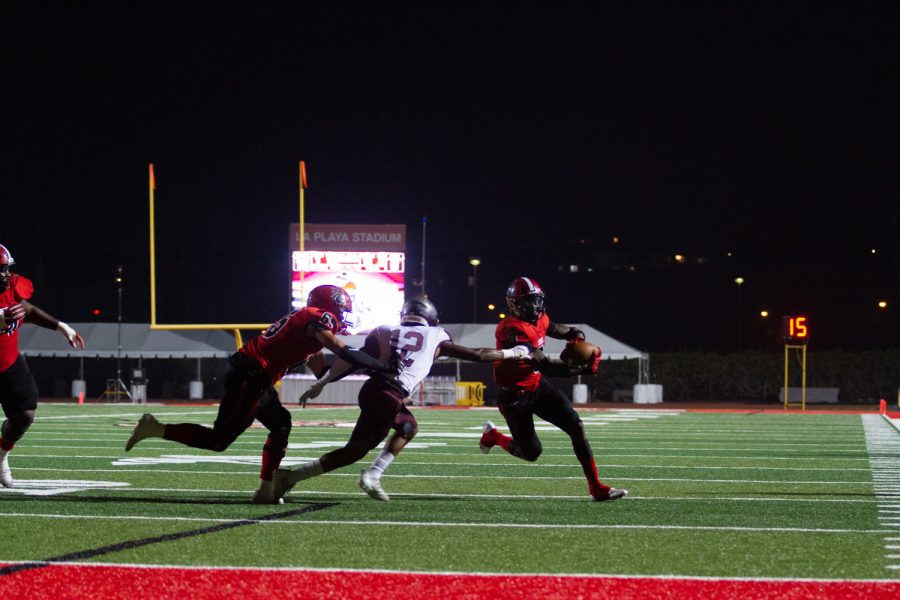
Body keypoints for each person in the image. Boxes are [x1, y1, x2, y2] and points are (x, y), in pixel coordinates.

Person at [124, 284, 397, 504]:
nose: (343, 315)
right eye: (341, 308)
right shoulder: (317, 317)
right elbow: (341, 350)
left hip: (255, 375)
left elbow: (323, 369)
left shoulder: (309, 326)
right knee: (219, 441)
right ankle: (155, 429)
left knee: (281, 424)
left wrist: (368, 373)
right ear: (329, 306)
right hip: (250, 374)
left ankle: (265, 490)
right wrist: (380, 364)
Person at [272, 295, 529, 502]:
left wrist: (323, 381)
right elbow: (479, 354)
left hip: (376, 390)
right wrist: (512, 353)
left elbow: (350, 360)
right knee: (353, 452)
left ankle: (373, 474)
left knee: (408, 426)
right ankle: (290, 477)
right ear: (430, 317)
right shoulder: (436, 334)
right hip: (388, 395)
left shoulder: (385, 330)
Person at [479, 276, 628, 502]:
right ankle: (494, 436)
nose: (536, 306)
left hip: (537, 386)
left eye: (537, 300)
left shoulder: (539, 319)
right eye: (530, 301)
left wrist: (577, 339)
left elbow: (565, 330)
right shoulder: (512, 329)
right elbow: (546, 366)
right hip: (514, 397)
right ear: (514, 304)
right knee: (531, 453)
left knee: (577, 426)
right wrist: (582, 369)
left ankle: (596, 487)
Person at [0, 244, 85, 488]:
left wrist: (62, 327)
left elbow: (28, 310)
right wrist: (2, 317)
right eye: (1, 269)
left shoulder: (12, 286)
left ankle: (1, 456)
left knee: (25, 415)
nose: (6, 275)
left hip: (8, 363)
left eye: (7, 269)